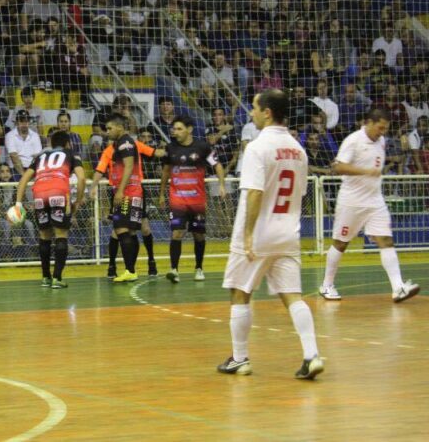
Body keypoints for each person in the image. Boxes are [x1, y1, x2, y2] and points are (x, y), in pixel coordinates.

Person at [218, 89, 323, 380]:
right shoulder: (298, 150)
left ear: (267, 112)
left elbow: (254, 193)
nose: (251, 112)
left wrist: (248, 235)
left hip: (258, 232)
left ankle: (240, 358)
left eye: (254, 107)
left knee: (240, 292)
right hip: (288, 232)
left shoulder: (257, 148)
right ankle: (311, 354)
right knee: (293, 296)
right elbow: (299, 194)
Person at [319, 109, 420, 302]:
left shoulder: (381, 141)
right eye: (380, 127)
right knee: (341, 243)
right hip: (352, 202)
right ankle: (327, 284)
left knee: (386, 241)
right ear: (369, 123)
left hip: (375, 201)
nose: (382, 132)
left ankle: (398, 288)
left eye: (385, 129)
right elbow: (337, 167)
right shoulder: (353, 140)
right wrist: (365, 171)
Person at [159, 115, 226, 283]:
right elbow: (166, 171)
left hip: (197, 201)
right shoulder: (170, 148)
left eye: (180, 128)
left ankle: (199, 268)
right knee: (176, 233)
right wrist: (161, 194)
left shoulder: (203, 147)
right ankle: (174, 270)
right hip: (177, 200)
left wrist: (222, 184)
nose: (176, 132)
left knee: (199, 236)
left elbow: (217, 165)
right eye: (174, 129)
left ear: (189, 130)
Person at [14, 130, 85, 288]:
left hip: (39, 195)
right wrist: (78, 201)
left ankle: (45, 277)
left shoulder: (40, 157)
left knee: (44, 235)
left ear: (51, 144)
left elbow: (24, 179)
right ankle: (57, 278)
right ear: (68, 144)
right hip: (59, 193)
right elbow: (81, 178)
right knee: (61, 234)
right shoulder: (72, 154)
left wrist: (18, 203)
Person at [92, 136, 165, 278]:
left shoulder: (134, 144)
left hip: (136, 190)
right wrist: (93, 186)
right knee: (118, 230)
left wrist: (171, 150)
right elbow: (100, 169)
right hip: (118, 191)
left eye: (110, 130)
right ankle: (114, 266)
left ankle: (150, 261)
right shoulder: (108, 151)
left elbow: (154, 152)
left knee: (143, 228)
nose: (109, 134)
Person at [98, 113, 144, 282]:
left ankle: (130, 270)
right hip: (132, 192)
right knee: (130, 232)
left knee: (121, 229)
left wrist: (120, 191)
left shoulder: (125, 143)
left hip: (128, 193)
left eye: (110, 128)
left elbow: (130, 166)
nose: (107, 131)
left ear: (120, 127)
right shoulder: (121, 144)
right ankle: (130, 270)